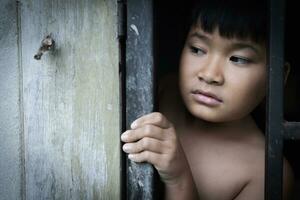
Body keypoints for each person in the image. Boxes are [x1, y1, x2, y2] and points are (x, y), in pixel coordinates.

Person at [121, 0, 295, 199]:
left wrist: (179, 179)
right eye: (197, 49)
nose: (209, 74)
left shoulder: (265, 172)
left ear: (277, 75)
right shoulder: (160, 91)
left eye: (238, 59)